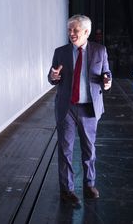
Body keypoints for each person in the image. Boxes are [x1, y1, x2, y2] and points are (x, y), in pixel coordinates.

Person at [48, 14, 112, 206]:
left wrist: (107, 81)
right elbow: (52, 78)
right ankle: (67, 190)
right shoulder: (60, 52)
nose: (71, 33)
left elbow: (107, 74)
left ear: (86, 31)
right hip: (66, 107)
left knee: (89, 149)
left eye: (75, 30)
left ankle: (89, 185)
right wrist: (53, 76)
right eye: (69, 30)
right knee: (65, 150)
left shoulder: (100, 51)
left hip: (89, 108)